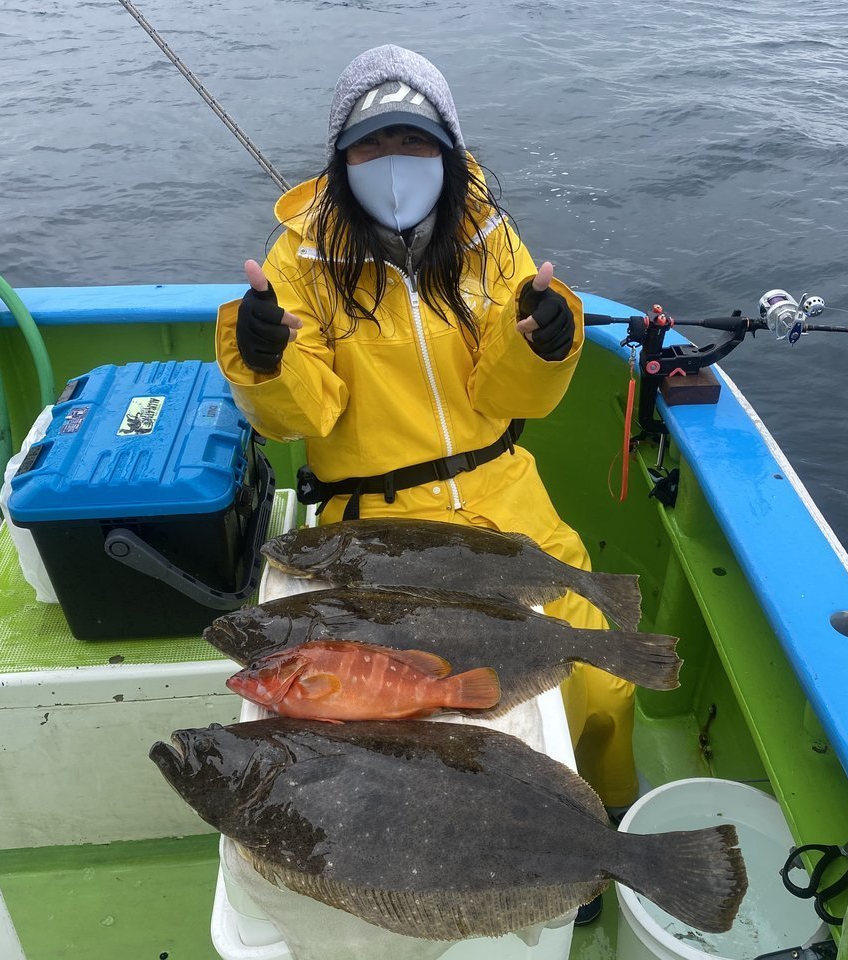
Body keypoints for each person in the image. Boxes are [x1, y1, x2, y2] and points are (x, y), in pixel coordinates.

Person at [214, 43, 638, 862]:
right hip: (374, 521)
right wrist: (266, 356)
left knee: (600, 665)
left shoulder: (489, 238)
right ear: (341, 157)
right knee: (406, 719)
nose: (394, 163)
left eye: (413, 141)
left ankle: (604, 828)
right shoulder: (298, 261)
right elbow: (301, 415)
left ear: (447, 148)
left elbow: (510, 395)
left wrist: (547, 340)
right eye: (371, 145)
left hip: (502, 489)